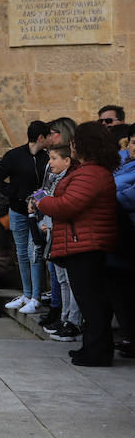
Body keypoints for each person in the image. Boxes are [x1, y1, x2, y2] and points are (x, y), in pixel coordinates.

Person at [36, 121, 118, 367]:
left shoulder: (91, 173)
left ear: (85, 144)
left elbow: (67, 206)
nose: (71, 145)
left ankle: (98, 352)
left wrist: (42, 203)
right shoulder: (90, 171)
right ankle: (91, 348)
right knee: (89, 300)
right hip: (83, 241)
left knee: (91, 301)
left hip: (86, 244)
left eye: (74, 141)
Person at [0, 121, 51, 315]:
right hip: (17, 210)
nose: (50, 139)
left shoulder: (46, 158)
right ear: (41, 138)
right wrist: (13, 193)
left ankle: (36, 297)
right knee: (22, 253)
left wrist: (38, 199)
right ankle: (26, 293)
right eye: (48, 136)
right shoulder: (14, 155)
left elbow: (48, 184)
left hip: (39, 212)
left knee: (35, 252)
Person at [35, 145, 80, 341]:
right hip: (53, 233)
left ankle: (73, 321)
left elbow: (58, 203)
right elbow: (44, 195)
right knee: (61, 279)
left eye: (54, 158)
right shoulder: (54, 178)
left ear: (67, 160)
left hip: (64, 234)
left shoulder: (70, 178)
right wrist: (34, 201)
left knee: (70, 281)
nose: (50, 162)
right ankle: (64, 318)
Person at [109, 124, 135, 358]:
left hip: (129, 233)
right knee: (120, 288)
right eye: (133, 142)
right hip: (118, 234)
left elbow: (122, 197)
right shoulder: (122, 162)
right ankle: (129, 335)